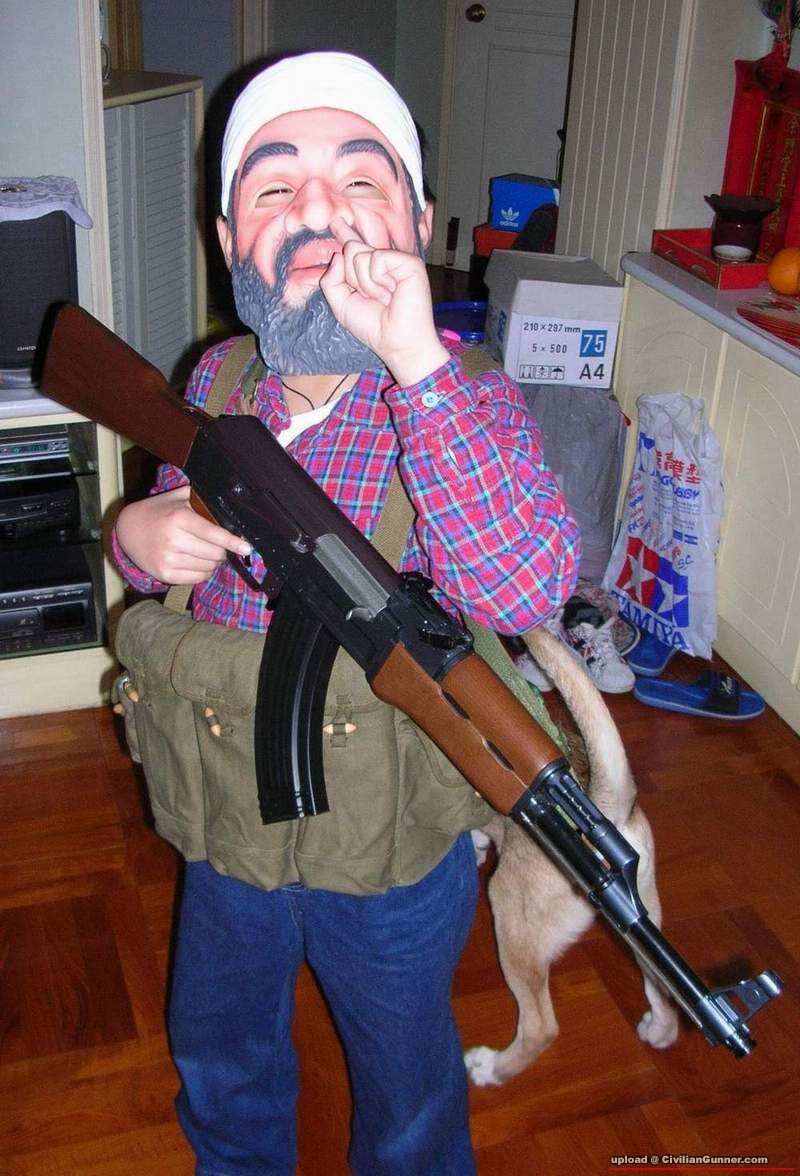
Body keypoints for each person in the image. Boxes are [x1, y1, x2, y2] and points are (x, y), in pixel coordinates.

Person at [112, 51, 580, 1176]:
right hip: (225, 820)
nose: (317, 209)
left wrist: (416, 364)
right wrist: (137, 533)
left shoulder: (460, 398)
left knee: (406, 1082)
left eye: (360, 180)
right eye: (274, 186)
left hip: (390, 854)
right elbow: (167, 529)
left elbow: (521, 590)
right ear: (228, 240)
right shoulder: (217, 381)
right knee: (219, 1045)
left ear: (416, 223)